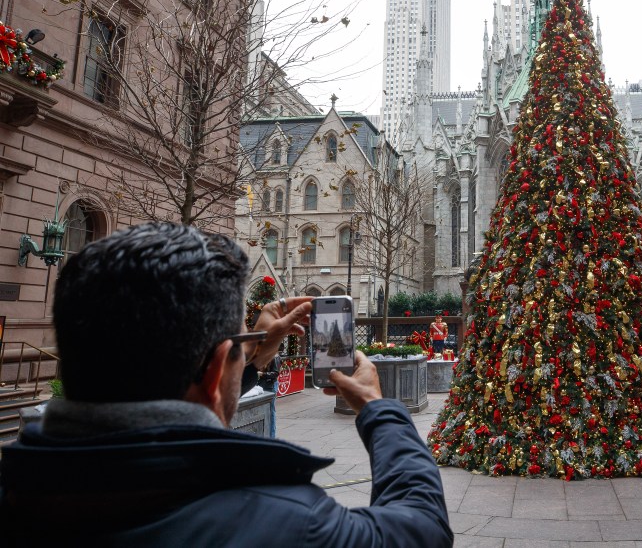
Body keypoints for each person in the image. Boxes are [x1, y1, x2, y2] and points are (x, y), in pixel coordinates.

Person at [0, 222, 453, 547]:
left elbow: (195, 391)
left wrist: (251, 355)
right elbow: (422, 526)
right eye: (242, 339)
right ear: (218, 369)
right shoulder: (291, 524)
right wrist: (379, 409)